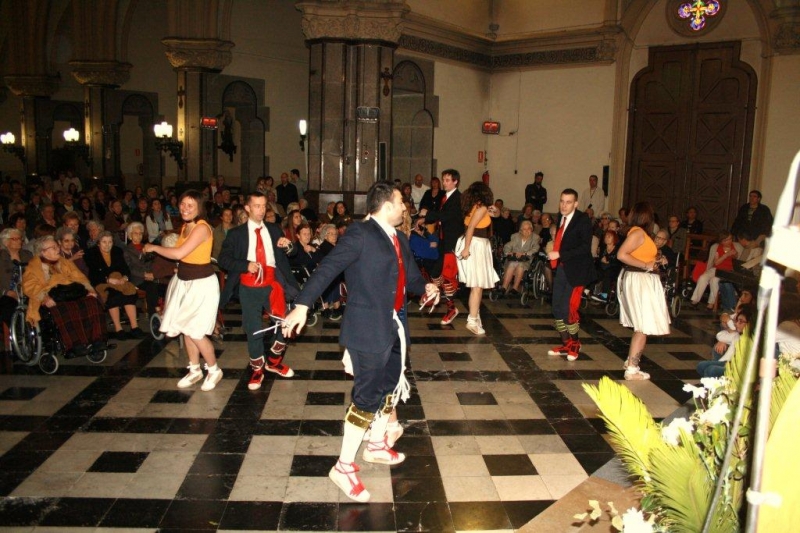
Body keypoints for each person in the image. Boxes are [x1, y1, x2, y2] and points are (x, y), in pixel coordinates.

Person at [282, 181, 439, 503]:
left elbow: (409, 276)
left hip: (393, 324)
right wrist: (301, 304)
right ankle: (342, 466)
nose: (405, 207)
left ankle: (377, 444)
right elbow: (328, 268)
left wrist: (426, 288)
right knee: (367, 396)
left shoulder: (398, 237)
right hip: (367, 327)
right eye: (401, 202)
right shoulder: (360, 234)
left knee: (390, 384)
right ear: (385, 205)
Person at [217, 191, 299, 390]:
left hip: (273, 284)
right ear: (247, 207)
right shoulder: (236, 233)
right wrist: (246, 265)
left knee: (285, 324)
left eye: (264, 206)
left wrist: (288, 246)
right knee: (253, 329)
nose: (261, 210)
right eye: (256, 206)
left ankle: (273, 361)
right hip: (249, 287)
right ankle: (257, 369)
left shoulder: (274, 229)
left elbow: (293, 252)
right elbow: (223, 259)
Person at [143, 190, 222, 391]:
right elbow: (185, 257)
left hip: (201, 284)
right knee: (186, 328)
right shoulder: (187, 225)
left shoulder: (202, 228)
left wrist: (154, 248)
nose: (185, 208)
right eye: (183, 204)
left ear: (199, 208)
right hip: (185, 281)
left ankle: (214, 369)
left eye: (190, 205)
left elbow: (179, 252)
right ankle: (195, 369)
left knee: (196, 331)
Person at [22, 236, 106, 357]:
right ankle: (74, 344)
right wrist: (44, 298)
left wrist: (89, 289)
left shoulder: (64, 262)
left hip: (70, 293)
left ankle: (98, 340)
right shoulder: (34, 266)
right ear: (43, 252)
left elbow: (79, 277)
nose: (58, 249)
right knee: (64, 308)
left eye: (57, 246)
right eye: (54, 247)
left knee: (92, 301)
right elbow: (29, 286)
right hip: (50, 297)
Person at [616, 202, 671, 380]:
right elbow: (622, 254)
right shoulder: (638, 233)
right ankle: (632, 369)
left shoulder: (641, 234)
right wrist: (646, 265)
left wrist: (657, 259)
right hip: (640, 280)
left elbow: (641, 254)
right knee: (643, 325)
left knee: (642, 325)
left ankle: (631, 361)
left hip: (642, 280)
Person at [546, 189, 594, 361]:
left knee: (568, 310)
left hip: (577, 271)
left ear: (576, 203)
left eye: (568, 202)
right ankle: (566, 342)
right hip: (562, 269)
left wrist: (559, 254)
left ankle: (575, 342)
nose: (564, 205)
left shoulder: (583, 220)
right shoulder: (561, 217)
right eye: (561, 201)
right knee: (556, 308)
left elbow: (584, 247)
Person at [416, 169, 463, 325]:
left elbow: (445, 216)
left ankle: (449, 306)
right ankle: (445, 302)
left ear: (455, 181)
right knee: (438, 274)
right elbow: (441, 218)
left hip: (451, 242)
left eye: (448, 180)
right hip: (444, 241)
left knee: (445, 274)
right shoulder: (445, 197)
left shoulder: (457, 198)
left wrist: (427, 214)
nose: (445, 183)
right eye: (444, 179)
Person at [85, 231, 146, 340]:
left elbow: (125, 268)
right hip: (101, 281)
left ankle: (134, 327)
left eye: (110, 242)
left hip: (118, 280)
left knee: (129, 294)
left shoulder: (117, 251)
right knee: (113, 295)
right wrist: (108, 279)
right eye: (104, 242)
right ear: (98, 243)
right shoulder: (91, 253)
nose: (107, 245)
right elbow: (93, 273)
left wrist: (125, 277)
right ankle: (118, 329)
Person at [457, 181, 500, 335]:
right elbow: (471, 228)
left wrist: (496, 211)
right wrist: (467, 248)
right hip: (476, 244)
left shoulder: (475, 206)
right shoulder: (480, 208)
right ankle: (472, 320)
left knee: (477, 285)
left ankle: (475, 317)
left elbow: (495, 215)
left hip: (476, 244)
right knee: (477, 285)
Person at [697, 304, 753, 378]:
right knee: (701, 365)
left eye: (741, 321)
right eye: (737, 321)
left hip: (740, 368)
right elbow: (719, 335)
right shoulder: (737, 335)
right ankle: (711, 385)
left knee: (711, 370)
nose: (736, 324)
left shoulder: (753, 339)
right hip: (727, 362)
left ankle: (711, 387)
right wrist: (726, 335)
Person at [690, 231, 742, 310]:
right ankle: (695, 300)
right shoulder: (717, 247)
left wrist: (734, 255)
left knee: (715, 280)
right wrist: (726, 255)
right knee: (703, 277)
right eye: (727, 240)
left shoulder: (736, 246)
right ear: (722, 241)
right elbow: (716, 262)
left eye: (730, 239)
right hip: (716, 268)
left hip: (727, 271)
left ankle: (711, 303)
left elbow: (738, 259)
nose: (730, 241)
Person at [122, 223, 160, 318]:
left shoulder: (147, 246)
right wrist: (145, 275)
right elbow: (130, 268)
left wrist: (153, 274)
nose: (139, 236)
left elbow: (154, 263)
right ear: (130, 235)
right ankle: (153, 315)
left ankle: (166, 313)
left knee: (166, 283)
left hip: (152, 276)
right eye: (136, 233)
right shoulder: (127, 250)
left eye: (140, 233)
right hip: (138, 278)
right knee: (152, 287)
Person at [0, 228, 33, 327]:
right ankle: (18, 335)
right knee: (8, 308)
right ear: (5, 242)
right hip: (7, 294)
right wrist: (6, 292)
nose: (20, 241)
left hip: (27, 292)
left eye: (20, 239)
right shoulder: (1, 257)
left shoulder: (27, 255)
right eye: (15, 239)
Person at [500, 220, 539, 295]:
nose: (527, 231)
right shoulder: (515, 236)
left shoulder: (535, 237)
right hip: (513, 259)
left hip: (526, 260)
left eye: (529, 229)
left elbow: (535, 248)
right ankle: (504, 287)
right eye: (524, 229)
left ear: (532, 229)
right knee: (512, 264)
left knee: (520, 265)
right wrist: (509, 252)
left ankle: (515, 287)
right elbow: (507, 246)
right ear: (521, 230)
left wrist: (524, 253)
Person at [591, 230, 621, 302]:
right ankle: (588, 291)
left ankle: (604, 295)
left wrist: (608, 261)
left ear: (614, 238)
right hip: (603, 267)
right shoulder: (603, 248)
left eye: (609, 236)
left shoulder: (618, 249)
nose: (606, 238)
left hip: (613, 269)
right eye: (606, 236)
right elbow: (599, 258)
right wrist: (601, 260)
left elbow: (618, 262)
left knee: (607, 274)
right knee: (594, 272)